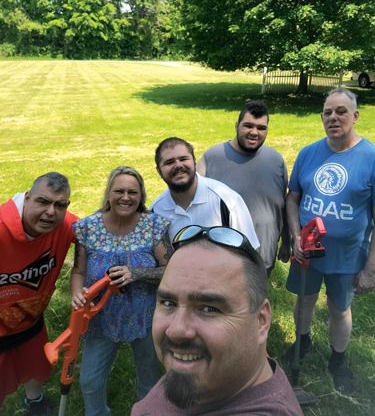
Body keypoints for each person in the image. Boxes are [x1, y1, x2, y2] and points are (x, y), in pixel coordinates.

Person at [131, 225, 303, 415]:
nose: (176, 330)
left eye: (209, 309)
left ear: (261, 321)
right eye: (169, 303)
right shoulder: (212, 373)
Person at [285, 87, 375, 394]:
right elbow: (292, 199)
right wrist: (296, 235)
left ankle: (338, 360)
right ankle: (303, 340)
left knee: (339, 308)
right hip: (308, 250)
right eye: (327, 112)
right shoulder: (308, 153)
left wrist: (370, 268)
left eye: (341, 111)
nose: (333, 117)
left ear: (355, 116)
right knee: (305, 299)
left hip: (348, 255)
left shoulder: (371, 158)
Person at [71, 166, 173, 416]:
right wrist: (76, 293)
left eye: (132, 192)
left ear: (141, 196)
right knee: (90, 381)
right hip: (99, 316)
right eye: (119, 191)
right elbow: (78, 270)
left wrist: (137, 273)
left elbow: (171, 269)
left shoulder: (154, 227)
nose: (125, 197)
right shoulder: (87, 228)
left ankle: (147, 412)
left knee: (148, 376)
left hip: (146, 316)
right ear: (108, 193)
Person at [0, 172, 78, 415]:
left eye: (60, 205)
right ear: (27, 198)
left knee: (35, 366)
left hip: (31, 319)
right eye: (43, 202)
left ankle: (35, 401)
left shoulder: (65, 225)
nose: (50, 212)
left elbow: (100, 230)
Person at [196, 101, 290, 275]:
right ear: (237, 126)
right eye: (248, 126)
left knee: (257, 300)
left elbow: (284, 205)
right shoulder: (212, 158)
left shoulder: (276, 161)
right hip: (223, 257)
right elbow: (193, 205)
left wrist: (286, 242)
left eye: (261, 128)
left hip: (264, 256)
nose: (254, 132)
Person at [150, 137, 259, 250]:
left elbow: (251, 252)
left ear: (194, 161)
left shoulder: (228, 199)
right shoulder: (155, 211)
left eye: (183, 159)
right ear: (159, 170)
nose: (178, 165)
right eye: (169, 162)